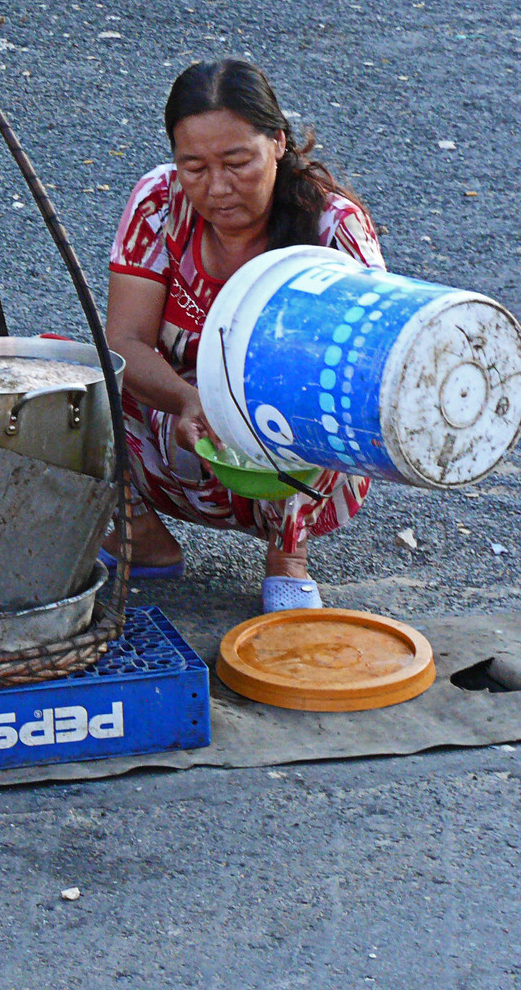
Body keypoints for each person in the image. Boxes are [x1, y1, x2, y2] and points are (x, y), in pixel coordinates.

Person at [103, 58, 384, 613]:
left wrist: (242, 409)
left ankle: (288, 556)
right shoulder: (157, 203)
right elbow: (124, 341)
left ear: (278, 142)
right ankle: (141, 534)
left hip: (296, 456)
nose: (218, 188)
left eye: (238, 162)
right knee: (75, 381)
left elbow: (364, 374)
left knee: (311, 394)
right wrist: (189, 400)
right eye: (194, 167)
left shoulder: (334, 227)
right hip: (179, 431)